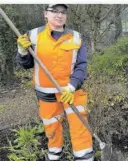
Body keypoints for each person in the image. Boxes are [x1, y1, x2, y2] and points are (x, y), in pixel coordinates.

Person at [16, 4, 94, 161]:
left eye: (63, 12)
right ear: (46, 14)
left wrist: (71, 87)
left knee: (80, 128)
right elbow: (26, 65)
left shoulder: (76, 37)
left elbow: (81, 66)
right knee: (52, 128)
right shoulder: (33, 35)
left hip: (73, 92)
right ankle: (54, 156)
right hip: (46, 95)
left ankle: (84, 158)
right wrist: (22, 51)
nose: (59, 15)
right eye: (55, 11)